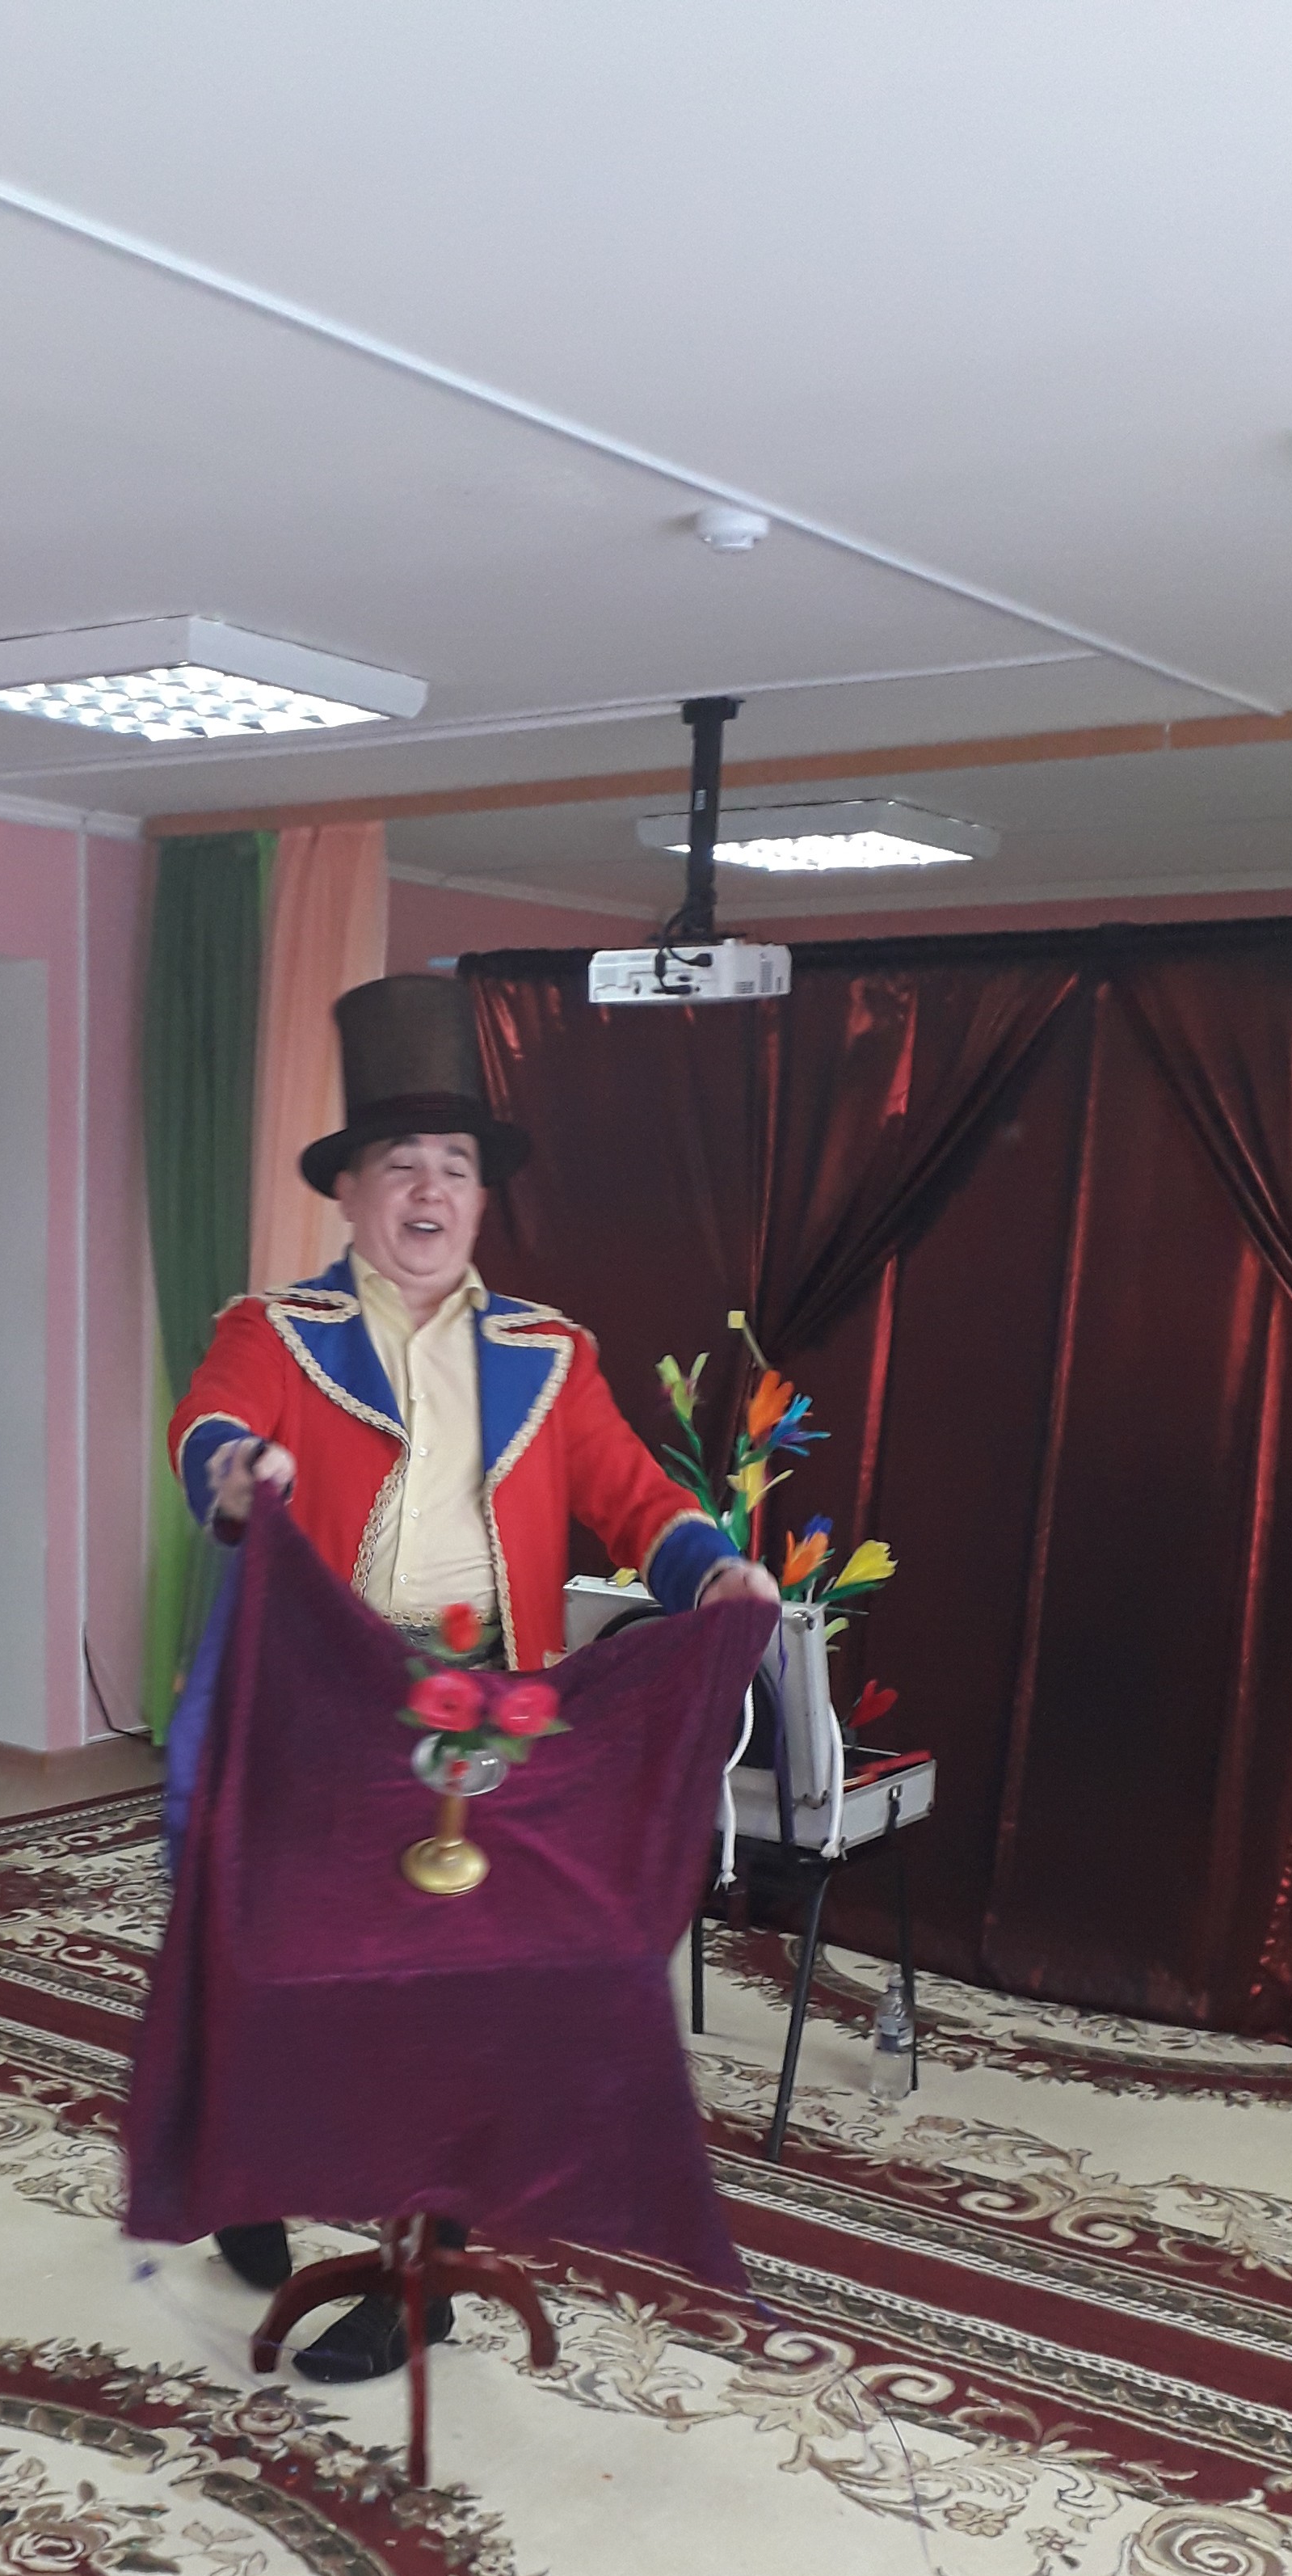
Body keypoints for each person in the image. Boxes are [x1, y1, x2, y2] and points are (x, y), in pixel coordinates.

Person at [165, 971, 778, 2381]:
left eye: (454, 1166)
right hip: (316, 1704)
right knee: (273, 1961)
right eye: (401, 1166)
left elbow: (635, 1499)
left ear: (484, 1196)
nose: (429, 1192)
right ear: (351, 1193)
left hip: (483, 1718)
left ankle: (419, 2277)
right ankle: (255, 2171)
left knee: (441, 1997)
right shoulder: (277, 1331)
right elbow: (210, 1424)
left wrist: (710, 1572)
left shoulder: (550, 1356)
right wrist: (238, 1473)